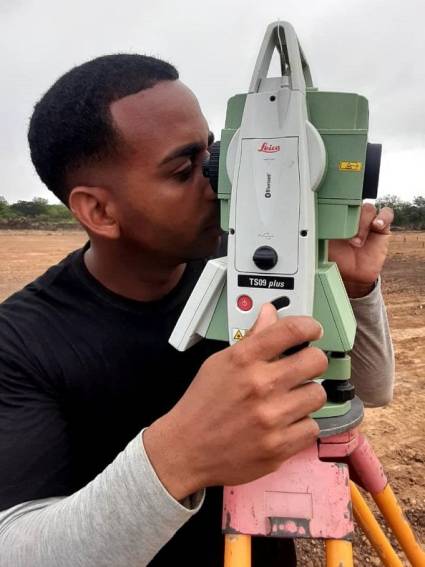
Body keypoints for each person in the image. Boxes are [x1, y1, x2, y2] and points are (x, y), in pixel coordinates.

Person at [0, 54, 394, 567]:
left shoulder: (245, 261)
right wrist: (179, 455)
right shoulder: (21, 342)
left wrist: (354, 287)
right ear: (99, 210)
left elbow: (371, 389)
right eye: (186, 169)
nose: (222, 177)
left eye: (218, 151)